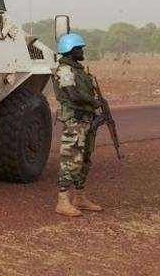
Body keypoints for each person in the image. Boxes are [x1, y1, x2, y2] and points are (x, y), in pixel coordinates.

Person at [52, 33, 105, 217]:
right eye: (79, 48)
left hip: (85, 120)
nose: (82, 51)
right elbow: (73, 95)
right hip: (75, 121)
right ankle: (63, 201)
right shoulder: (65, 70)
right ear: (71, 50)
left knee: (84, 160)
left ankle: (79, 197)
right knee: (70, 161)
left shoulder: (78, 70)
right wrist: (94, 102)